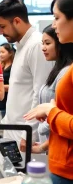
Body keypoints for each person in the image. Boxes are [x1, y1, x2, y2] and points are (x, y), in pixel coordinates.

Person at [24, 0, 73, 184]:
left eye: (57, 17)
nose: (53, 24)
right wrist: (44, 145)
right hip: (60, 162)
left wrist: (51, 112)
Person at [0, 0, 52, 150]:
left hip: (25, 134)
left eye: (2, 26)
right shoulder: (20, 46)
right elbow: (19, 89)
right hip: (14, 128)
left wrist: (29, 133)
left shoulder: (36, 45)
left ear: (17, 21)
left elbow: (41, 94)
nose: (0, 32)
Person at [32, 24, 73, 154]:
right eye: (42, 43)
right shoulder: (58, 69)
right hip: (53, 145)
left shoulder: (66, 72)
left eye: (47, 43)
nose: (43, 48)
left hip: (61, 147)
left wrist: (43, 128)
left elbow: (62, 115)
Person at [0, 43, 16, 119]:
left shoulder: (14, 67)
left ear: (10, 53)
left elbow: (14, 86)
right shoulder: (0, 66)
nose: (0, 55)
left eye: (3, 52)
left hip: (9, 100)